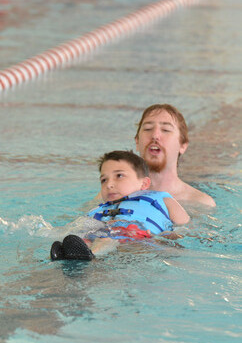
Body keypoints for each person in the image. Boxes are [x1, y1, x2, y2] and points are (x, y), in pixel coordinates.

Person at [50, 150, 189, 261]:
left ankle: (91, 255)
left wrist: (171, 236)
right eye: (103, 180)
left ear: (144, 184)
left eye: (119, 176)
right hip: (107, 237)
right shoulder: (99, 209)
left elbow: (187, 226)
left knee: (107, 241)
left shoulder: (162, 199)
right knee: (86, 238)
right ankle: (77, 254)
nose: (109, 184)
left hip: (141, 240)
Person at [135, 104, 216, 207]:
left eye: (166, 130)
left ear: (182, 145)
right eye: (148, 128)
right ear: (137, 142)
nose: (155, 135)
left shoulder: (200, 203)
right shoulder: (117, 194)